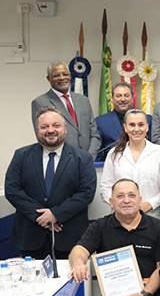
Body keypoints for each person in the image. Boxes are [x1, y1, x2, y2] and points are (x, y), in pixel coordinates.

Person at [5, 106, 96, 260]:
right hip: (31, 236)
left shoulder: (83, 158)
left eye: (56, 125)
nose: (50, 130)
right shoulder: (21, 155)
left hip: (70, 237)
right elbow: (12, 189)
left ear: (65, 128)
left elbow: (86, 193)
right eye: (44, 127)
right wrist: (40, 216)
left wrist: (56, 214)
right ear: (37, 130)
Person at [100, 109, 160, 219]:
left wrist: (150, 204)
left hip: (153, 216)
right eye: (132, 125)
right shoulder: (114, 154)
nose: (136, 129)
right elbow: (105, 187)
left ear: (147, 127)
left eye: (141, 125)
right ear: (125, 128)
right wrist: (120, 203)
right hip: (121, 217)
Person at [31, 61, 101, 159]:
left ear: (70, 75)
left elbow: (95, 134)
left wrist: (89, 157)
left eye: (65, 74)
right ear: (48, 78)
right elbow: (43, 137)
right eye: (56, 75)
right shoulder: (40, 102)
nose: (62, 78)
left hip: (87, 160)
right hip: (62, 161)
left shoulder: (84, 100)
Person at [96, 82, 152, 162]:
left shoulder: (148, 119)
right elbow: (98, 153)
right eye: (118, 96)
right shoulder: (101, 122)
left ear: (133, 97)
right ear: (112, 98)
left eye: (126, 95)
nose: (122, 99)